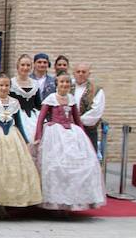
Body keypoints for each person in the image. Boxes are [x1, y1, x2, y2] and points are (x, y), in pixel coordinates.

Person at [33, 73, 105, 211]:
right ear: (57, 83)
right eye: (62, 82)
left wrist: (83, 136)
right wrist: (38, 136)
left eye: (67, 82)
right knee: (55, 167)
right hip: (54, 133)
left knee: (79, 165)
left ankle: (72, 201)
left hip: (71, 133)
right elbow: (41, 119)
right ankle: (55, 201)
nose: (64, 85)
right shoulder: (51, 99)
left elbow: (77, 119)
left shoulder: (71, 99)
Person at [0, 74, 42, 216]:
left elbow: (20, 124)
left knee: (11, 170)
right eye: (1, 85)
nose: (4, 88)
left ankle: (7, 202)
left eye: (6, 85)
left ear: (10, 87)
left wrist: (27, 141)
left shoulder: (15, 103)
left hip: (12, 137)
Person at [72, 63, 105, 151]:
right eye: (78, 71)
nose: (81, 74)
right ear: (74, 73)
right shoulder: (67, 87)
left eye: (84, 72)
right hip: (69, 131)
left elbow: (96, 112)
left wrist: (77, 120)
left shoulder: (96, 90)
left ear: (89, 74)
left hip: (88, 131)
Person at [10, 54, 42, 141]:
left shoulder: (35, 84)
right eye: (23, 65)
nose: (25, 67)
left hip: (32, 118)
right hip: (15, 117)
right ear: (17, 66)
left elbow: (38, 104)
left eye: (28, 65)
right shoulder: (11, 83)